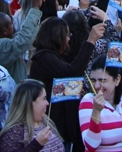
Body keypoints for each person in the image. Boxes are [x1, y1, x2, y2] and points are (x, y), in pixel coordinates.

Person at [28, 17, 106, 152]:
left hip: (59, 124)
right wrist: (90, 41)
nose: (69, 39)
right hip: (53, 124)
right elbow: (72, 71)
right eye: (67, 35)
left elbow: (56, 84)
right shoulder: (44, 57)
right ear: (58, 37)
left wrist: (72, 89)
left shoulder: (48, 56)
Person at [79, 54, 122, 152]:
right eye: (93, 80)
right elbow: (90, 145)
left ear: (117, 80)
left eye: (103, 80)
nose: (97, 85)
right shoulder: (88, 101)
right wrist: (96, 112)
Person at [0, 79, 65, 152]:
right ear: (29, 103)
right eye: (44, 99)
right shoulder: (13, 132)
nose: (47, 103)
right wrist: (37, 144)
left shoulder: (47, 122)